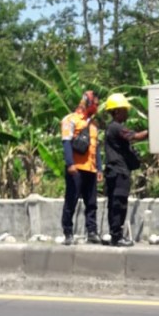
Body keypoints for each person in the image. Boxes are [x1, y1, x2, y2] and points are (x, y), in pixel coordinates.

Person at [103, 93, 148, 247]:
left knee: (114, 204)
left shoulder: (112, 128)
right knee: (119, 204)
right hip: (119, 172)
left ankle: (115, 235)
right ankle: (117, 237)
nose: (127, 113)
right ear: (116, 111)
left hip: (114, 172)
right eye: (124, 110)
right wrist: (153, 130)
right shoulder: (116, 127)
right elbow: (136, 136)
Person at [61, 90, 103, 246]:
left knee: (91, 203)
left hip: (90, 169)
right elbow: (66, 142)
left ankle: (92, 231)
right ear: (88, 102)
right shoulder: (70, 120)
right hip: (76, 169)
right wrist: (70, 163)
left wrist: (99, 168)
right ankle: (68, 232)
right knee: (71, 201)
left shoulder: (93, 124)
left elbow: (95, 148)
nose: (97, 107)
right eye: (95, 104)